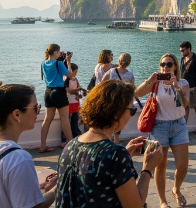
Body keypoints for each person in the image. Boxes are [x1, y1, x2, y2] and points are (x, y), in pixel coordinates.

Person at [56, 79, 164, 208]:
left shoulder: (71, 145)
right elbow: (134, 205)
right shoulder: (115, 154)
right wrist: (148, 168)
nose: (131, 116)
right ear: (117, 112)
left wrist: (124, 157)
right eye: (131, 111)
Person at [0, 81, 56, 207]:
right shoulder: (19, 159)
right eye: (35, 107)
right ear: (17, 114)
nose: (38, 111)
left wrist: (31, 188)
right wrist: (59, 186)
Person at [134, 54, 190, 207]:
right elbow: (137, 93)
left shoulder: (183, 83)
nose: (165, 67)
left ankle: (176, 189)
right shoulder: (156, 83)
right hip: (159, 126)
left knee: (183, 166)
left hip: (179, 126)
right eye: (163, 64)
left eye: (169, 64)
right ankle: (162, 201)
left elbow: (185, 104)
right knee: (160, 165)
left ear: (175, 66)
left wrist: (175, 86)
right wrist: (150, 79)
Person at [39, 44, 73, 152]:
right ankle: (72, 146)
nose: (60, 53)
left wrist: (60, 57)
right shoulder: (58, 63)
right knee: (65, 119)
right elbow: (70, 75)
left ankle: (42, 146)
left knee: (47, 119)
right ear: (55, 52)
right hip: (58, 92)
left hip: (48, 92)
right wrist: (68, 61)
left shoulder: (43, 63)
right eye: (59, 52)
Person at [180, 41, 196, 133]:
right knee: (185, 106)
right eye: (181, 51)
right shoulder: (182, 59)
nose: (182, 52)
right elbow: (181, 72)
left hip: (193, 87)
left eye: (183, 50)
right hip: (184, 87)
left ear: (189, 49)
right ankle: (184, 127)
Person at [61, 63, 82, 144]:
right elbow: (67, 90)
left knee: (74, 121)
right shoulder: (66, 79)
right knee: (67, 121)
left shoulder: (75, 79)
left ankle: (76, 136)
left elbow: (78, 87)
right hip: (68, 103)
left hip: (75, 102)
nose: (76, 73)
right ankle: (64, 139)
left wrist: (79, 94)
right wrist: (77, 90)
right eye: (75, 71)